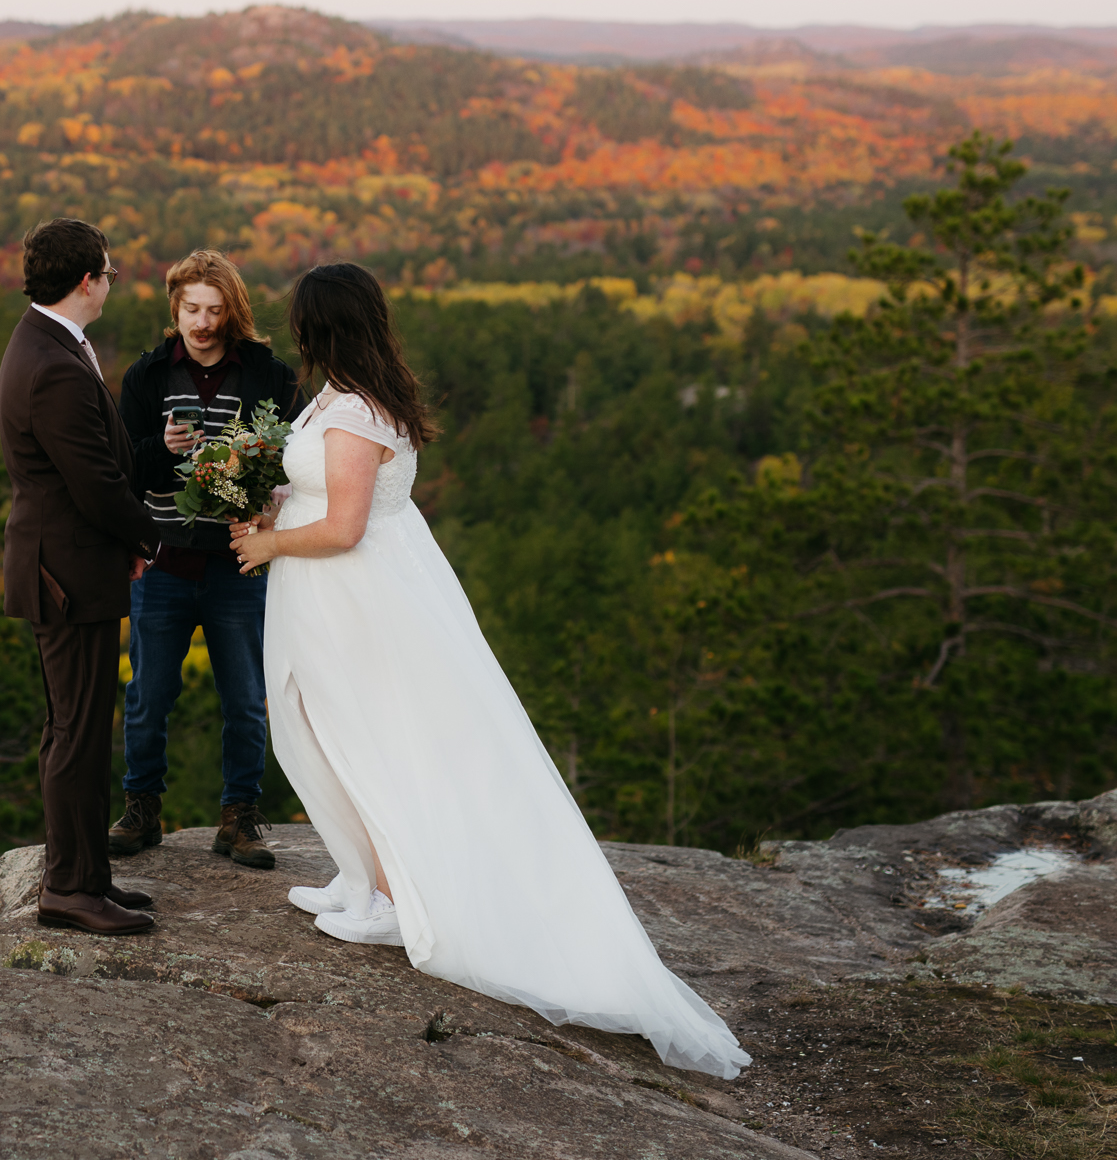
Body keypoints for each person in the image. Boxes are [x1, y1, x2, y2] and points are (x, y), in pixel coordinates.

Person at [227, 262, 751, 1080]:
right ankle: (360, 872)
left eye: (302, 321)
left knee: (367, 729)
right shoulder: (337, 395)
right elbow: (315, 494)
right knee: (317, 723)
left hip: (356, 594)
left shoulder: (360, 410)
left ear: (320, 328)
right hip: (326, 591)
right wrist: (267, 505)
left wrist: (268, 543)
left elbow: (347, 526)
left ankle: (394, 902)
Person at [0, 218, 163, 937]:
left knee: (81, 726)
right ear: (87, 279)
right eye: (109, 268)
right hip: (64, 571)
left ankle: (90, 873)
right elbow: (94, 483)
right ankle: (67, 887)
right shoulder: (55, 364)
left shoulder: (55, 344)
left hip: (74, 562)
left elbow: (107, 461)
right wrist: (153, 534)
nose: (113, 278)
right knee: (76, 732)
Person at [109, 250, 301, 869]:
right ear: (175, 307)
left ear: (232, 312)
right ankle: (142, 810)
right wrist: (164, 452)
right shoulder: (147, 377)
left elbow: (298, 460)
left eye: (215, 310)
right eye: (192, 308)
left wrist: (269, 500)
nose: (202, 322)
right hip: (164, 563)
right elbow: (122, 467)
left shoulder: (268, 374)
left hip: (238, 563)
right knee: (148, 696)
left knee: (245, 698)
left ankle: (240, 818)